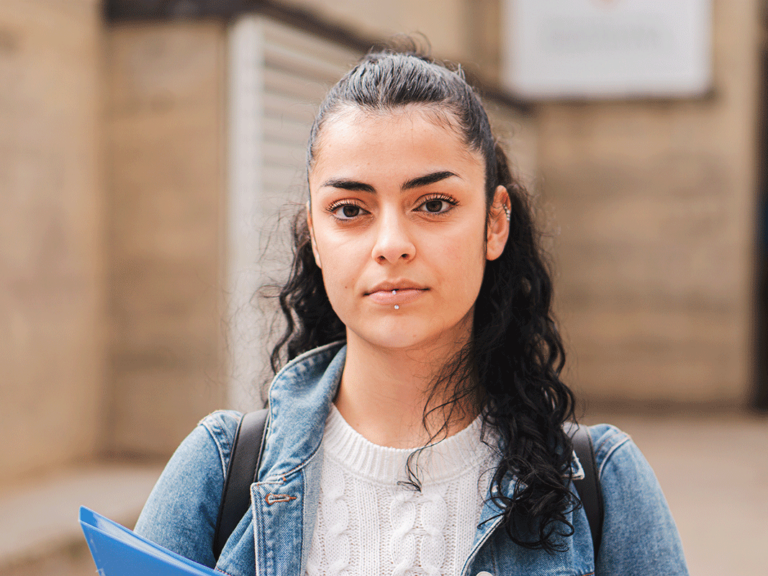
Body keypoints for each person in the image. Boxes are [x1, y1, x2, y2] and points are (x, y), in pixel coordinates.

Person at [135, 49, 689, 576]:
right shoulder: (219, 471)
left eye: (434, 204)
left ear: (495, 223)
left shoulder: (603, 484)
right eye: (350, 210)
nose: (392, 244)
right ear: (314, 237)